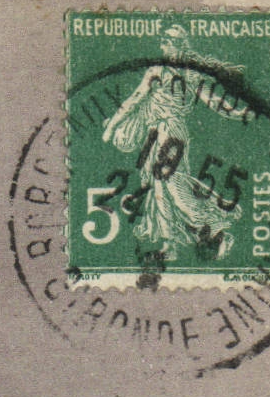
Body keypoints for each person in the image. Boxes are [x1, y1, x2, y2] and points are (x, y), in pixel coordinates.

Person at [100, 25, 252, 260]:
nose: (164, 46)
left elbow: (212, 100)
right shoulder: (156, 70)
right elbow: (135, 100)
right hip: (154, 132)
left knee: (172, 184)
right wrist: (112, 126)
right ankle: (170, 244)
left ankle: (212, 223)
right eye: (163, 42)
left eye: (168, 42)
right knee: (158, 188)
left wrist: (238, 113)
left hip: (172, 131)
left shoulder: (191, 74)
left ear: (180, 45)